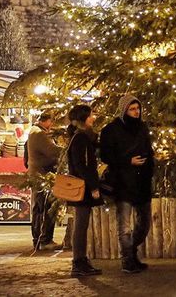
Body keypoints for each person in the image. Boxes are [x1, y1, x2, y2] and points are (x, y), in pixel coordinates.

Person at [100, 93, 155, 274]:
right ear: (124, 110)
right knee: (124, 225)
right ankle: (127, 259)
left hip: (142, 181)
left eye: (138, 108)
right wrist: (127, 161)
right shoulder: (111, 130)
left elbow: (148, 149)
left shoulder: (142, 127)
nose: (136, 112)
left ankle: (130, 250)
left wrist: (149, 166)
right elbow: (106, 156)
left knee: (144, 223)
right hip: (123, 182)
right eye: (132, 109)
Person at [65, 104, 103, 277]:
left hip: (83, 185)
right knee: (81, 225)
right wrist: (93, 186)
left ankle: (81, 260)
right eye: (90, 115)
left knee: (82, 224)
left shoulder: (81, 136)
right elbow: (81, 165)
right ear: (84, 119)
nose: (93, 118)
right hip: (82, 187)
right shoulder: (80, 138)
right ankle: (78, 262)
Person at [26, 111, 62, 250]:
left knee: (41, 207)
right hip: (41, 176)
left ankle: (41, 239)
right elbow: (51, 150)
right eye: (52, 121)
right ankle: (43, 240)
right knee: (44, 208)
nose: (52, 125)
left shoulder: (35, 132)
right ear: (47, 121)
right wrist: (67, 151)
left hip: (39, 174)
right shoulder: (38, 134)